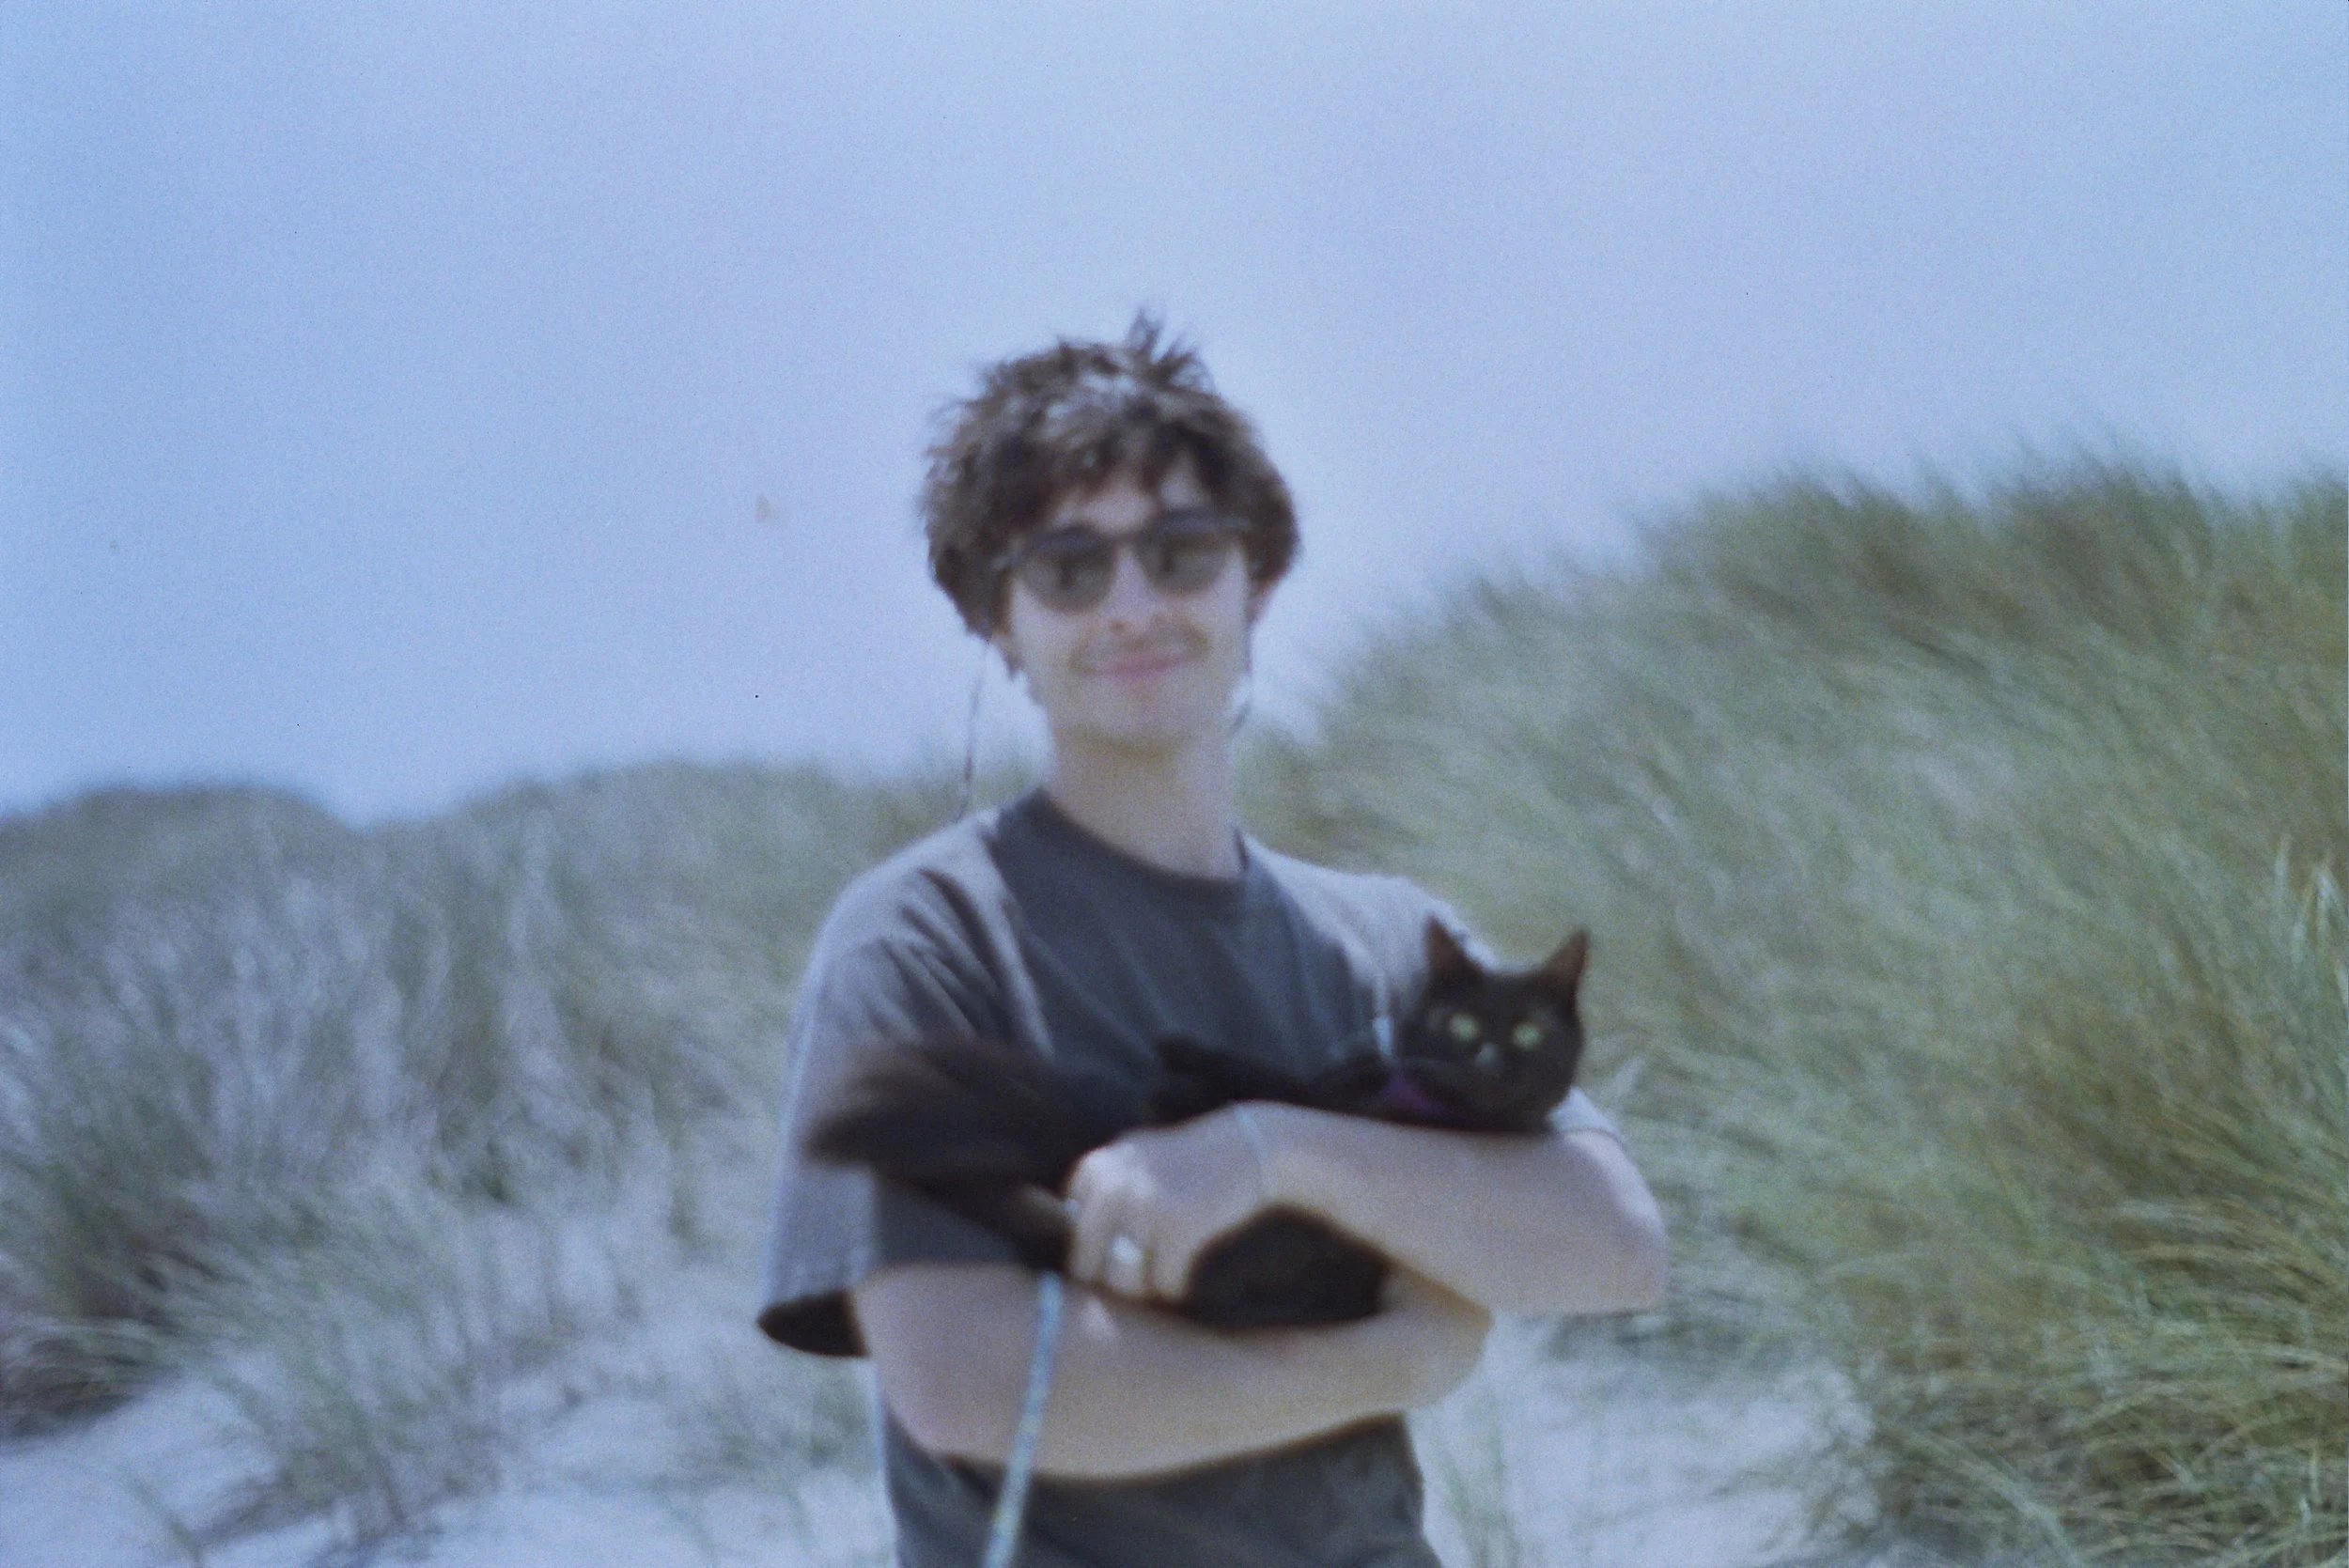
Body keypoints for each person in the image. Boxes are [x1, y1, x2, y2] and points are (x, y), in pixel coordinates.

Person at [758, 318, 1669, 1566]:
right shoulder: (923, 939)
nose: (1133, 606)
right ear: (998, 621)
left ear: (1258, 582)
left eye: (1182, 552)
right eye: (1069, 569)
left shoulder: (1389, 942)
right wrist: (1387, 1361)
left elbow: (1615, 1246)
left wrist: (1271, 1151)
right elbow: (966, 1385)